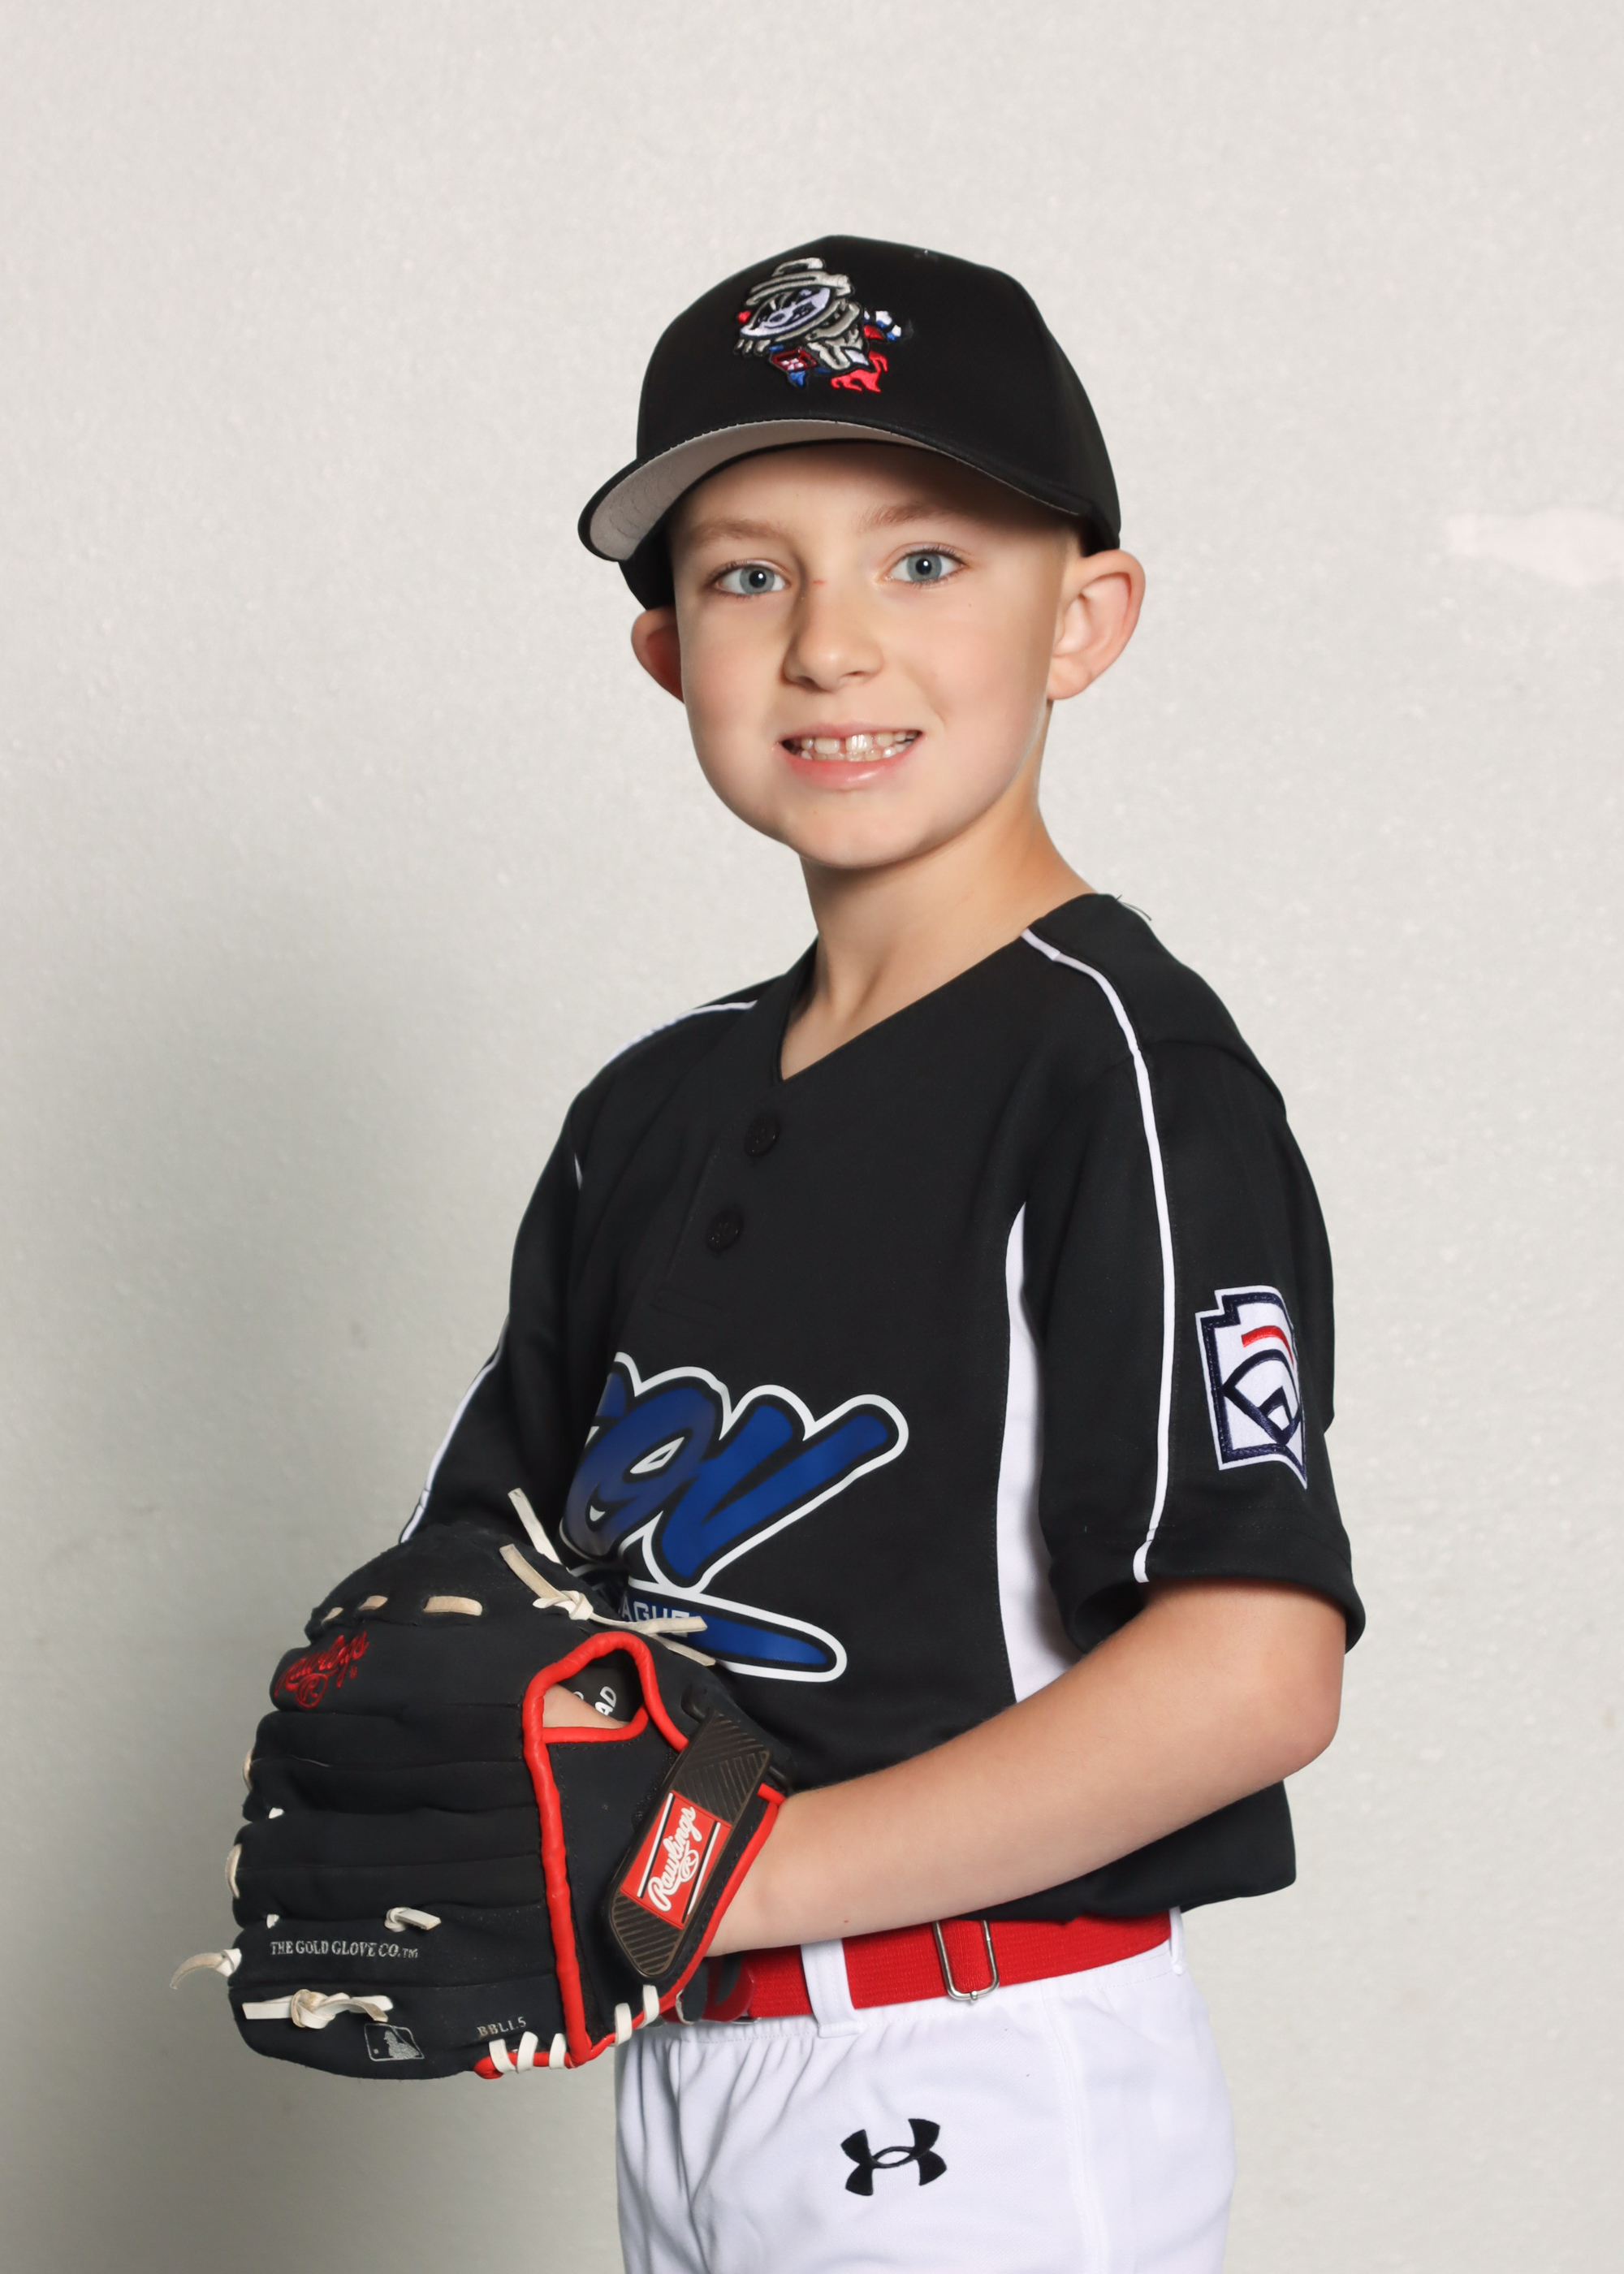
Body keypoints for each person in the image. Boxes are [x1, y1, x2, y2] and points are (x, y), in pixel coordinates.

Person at [408, 236, 1363, 2272]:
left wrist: (717, 1877)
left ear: (1082, 618)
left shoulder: (1118, 1068)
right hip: (692, 2065)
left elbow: (1250, 1667)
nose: (831, 645)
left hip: (982, 2053)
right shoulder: (643, 1111)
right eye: (748, 575)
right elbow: (503, 1589)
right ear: (665, 650)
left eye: (925, 560)